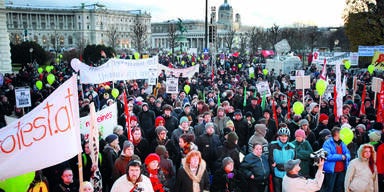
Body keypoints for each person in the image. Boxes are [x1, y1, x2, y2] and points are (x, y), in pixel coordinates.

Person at [320, 127, 351, 192]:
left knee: (339, 189)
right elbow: (328, 156)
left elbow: (348, 153)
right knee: (329, 189)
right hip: (331, 171)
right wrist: (341, 157)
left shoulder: (343, 142)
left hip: (342, 170)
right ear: (336, 134)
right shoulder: (327, 143)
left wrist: (346, 156)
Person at [269, 127, 296, 192]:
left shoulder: (292, 147)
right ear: (279, 136)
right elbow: (270, 159)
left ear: (288, 137)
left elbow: (294, 160)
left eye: (285, 136)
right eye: (281, 136)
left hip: (288, 174)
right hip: (277, 174)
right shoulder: (272, 145)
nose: (283, 138)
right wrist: (274, 169)